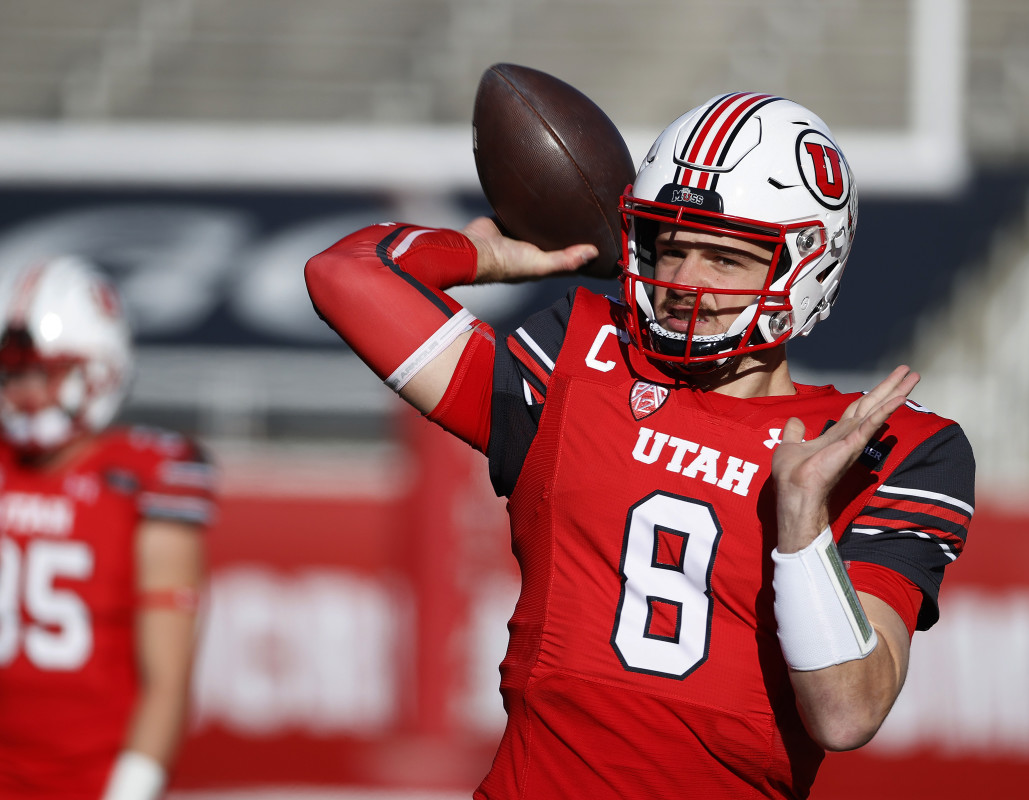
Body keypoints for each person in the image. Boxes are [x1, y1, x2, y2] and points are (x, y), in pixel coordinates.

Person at [306, 92, 974, 798]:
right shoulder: (581, 357)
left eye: (724, 257)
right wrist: (483, 256)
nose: (684, 282)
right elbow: (344, 274)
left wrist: (804, 526)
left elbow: (846, 714)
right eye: (670, 247)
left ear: (806, 268)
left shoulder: (884, 445)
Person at [0, 256, 215, 800]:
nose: (24, 392)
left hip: (90, 780)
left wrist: (131, 790)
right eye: (13, 372)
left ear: (100, 373)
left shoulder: (145, 475)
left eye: (43, 373)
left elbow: (167, 680)